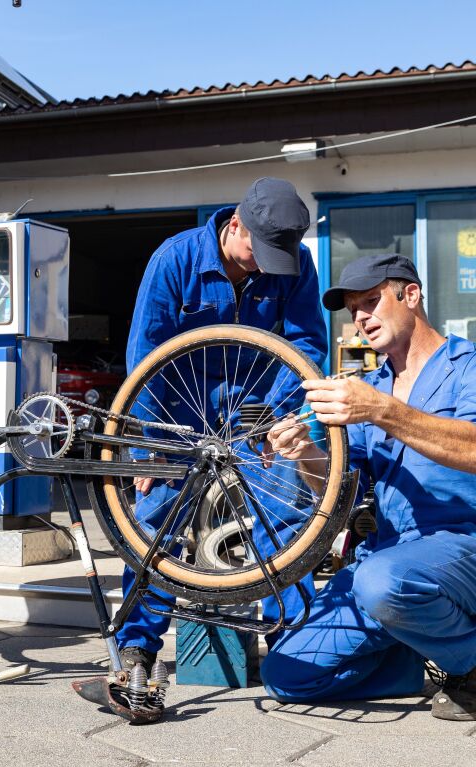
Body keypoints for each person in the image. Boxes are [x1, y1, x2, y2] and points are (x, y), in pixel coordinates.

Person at [115, 177, 327, 672]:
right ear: (236, 224)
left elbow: (307, 344)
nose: (265, 265)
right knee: (154, 526)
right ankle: (137, 648)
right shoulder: (175, 259)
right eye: (260, 252)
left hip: (254, 411)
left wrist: (275, 410)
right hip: (177, 417)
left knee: (286, 519)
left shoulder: (296, 264)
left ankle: (292, 650)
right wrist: (151, 445)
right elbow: (144, 355)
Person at [263, 253, 476, 721]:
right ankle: (409, 660)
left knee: (381, 582)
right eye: (353, 309)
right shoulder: (372, 386)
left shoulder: (467, 367)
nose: (361, 317)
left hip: (462, 549)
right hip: (389, 561)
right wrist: (306, 456)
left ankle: (470, 662)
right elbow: (341, 483)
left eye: (372, 301)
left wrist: (384, 411)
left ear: (411, 296)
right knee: (286, 672)